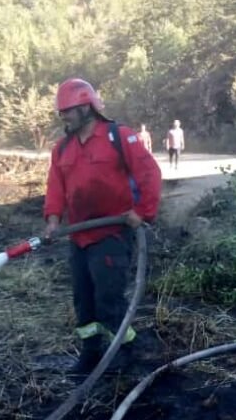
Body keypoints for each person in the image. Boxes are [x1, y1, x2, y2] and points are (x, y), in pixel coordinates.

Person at [44, 78, 162, 375]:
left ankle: (124, 351)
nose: (64, 117)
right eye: (61, 112)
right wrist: (54, 219)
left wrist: (142, 212)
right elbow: (56, 187)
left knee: (108, 297)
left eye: (68, 110)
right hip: (79, 235)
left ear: (86, 107)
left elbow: (149, 173)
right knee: (83, 299)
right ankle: (91, 353)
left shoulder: (118, 137)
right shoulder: (63, 148)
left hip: (111, 232)